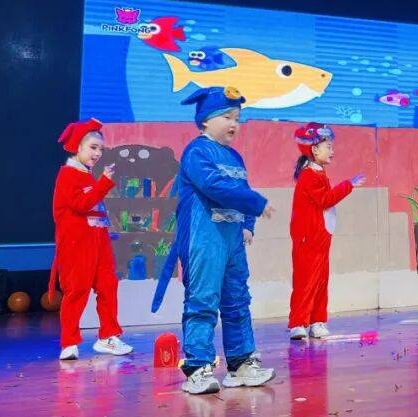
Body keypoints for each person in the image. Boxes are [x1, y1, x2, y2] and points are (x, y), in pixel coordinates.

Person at [151, 86, 275, 395]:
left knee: (237, 301)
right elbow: (215, 185)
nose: (234, 124)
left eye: (238, 118)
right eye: (227, 117)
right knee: (203, 300)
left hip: (232, 240)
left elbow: (241, 188)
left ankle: (241, 363)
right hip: (203, 240)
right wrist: (257, 203)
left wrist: (248, 224)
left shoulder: (235, 156)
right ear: (205, 120)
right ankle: (198, 367)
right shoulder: (197, 152)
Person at [49, 118, 132, 360]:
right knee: (77, 290)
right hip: (77, 246)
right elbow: (81, 204)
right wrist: (105, 182)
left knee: (108, 285)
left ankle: (108, 336)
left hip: (98, 243)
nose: (97, 154)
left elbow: (93, 210)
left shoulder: (86, 175)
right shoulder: (67, 174)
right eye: (93, 147)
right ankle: (69, 342)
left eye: (101, 149)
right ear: (78, 147)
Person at [289, 123, 366, 340]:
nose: (332, 151)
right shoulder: (309, 175)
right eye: (328, 147)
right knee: (306, 281)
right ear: (314, 149)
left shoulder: (318, 172)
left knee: (320, 280)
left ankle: (317, 321)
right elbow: (325, 200)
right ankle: (298, 323)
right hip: (309, 238)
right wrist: (349, 184)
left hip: (320, 237)